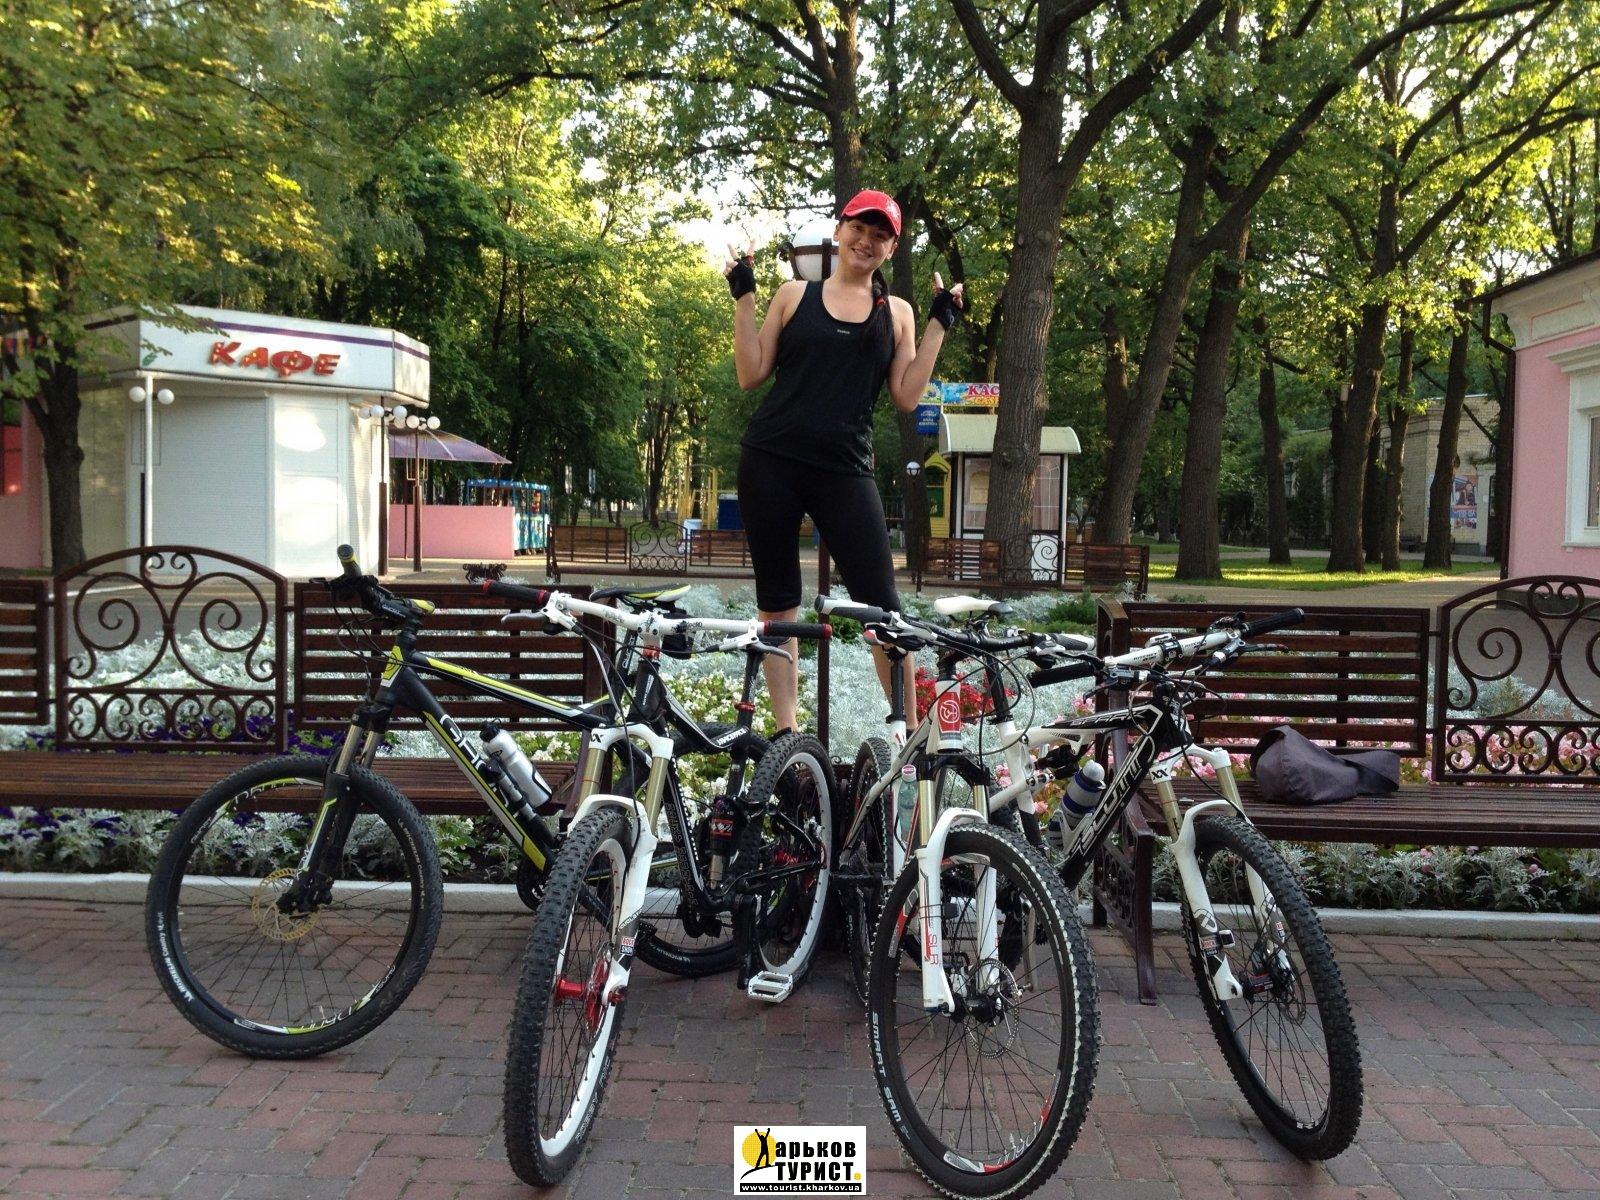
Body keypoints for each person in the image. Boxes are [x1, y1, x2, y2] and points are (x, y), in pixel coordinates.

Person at [724, 189, 964, 732]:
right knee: (778, 605)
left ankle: (909, 739)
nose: (866, 240)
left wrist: (939, 323)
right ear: (839, 230)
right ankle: (788, 741)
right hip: (771, 462)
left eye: (881, 235)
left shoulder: (896, 312)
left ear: (891, 248)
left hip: (845, 471)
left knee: (884, 610)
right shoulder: (793, 295)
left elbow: (907, 395)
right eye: (859, 228)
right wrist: (743, 294)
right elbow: (750, 374)